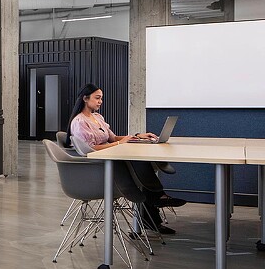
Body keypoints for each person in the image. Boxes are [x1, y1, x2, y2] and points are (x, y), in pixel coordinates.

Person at [67, 83, 185, 234]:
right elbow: (89, 149)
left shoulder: (97, 117)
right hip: (98, 166)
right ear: (85, 98)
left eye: (101, 98)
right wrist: (119, 144)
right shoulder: (79, 122)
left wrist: (137, 136)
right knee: (137, 164)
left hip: (111, 158)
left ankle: (155, 204)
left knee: (140, 162)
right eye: (97, 98)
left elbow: (113, 137)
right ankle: (157, 198)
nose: (100, 101)